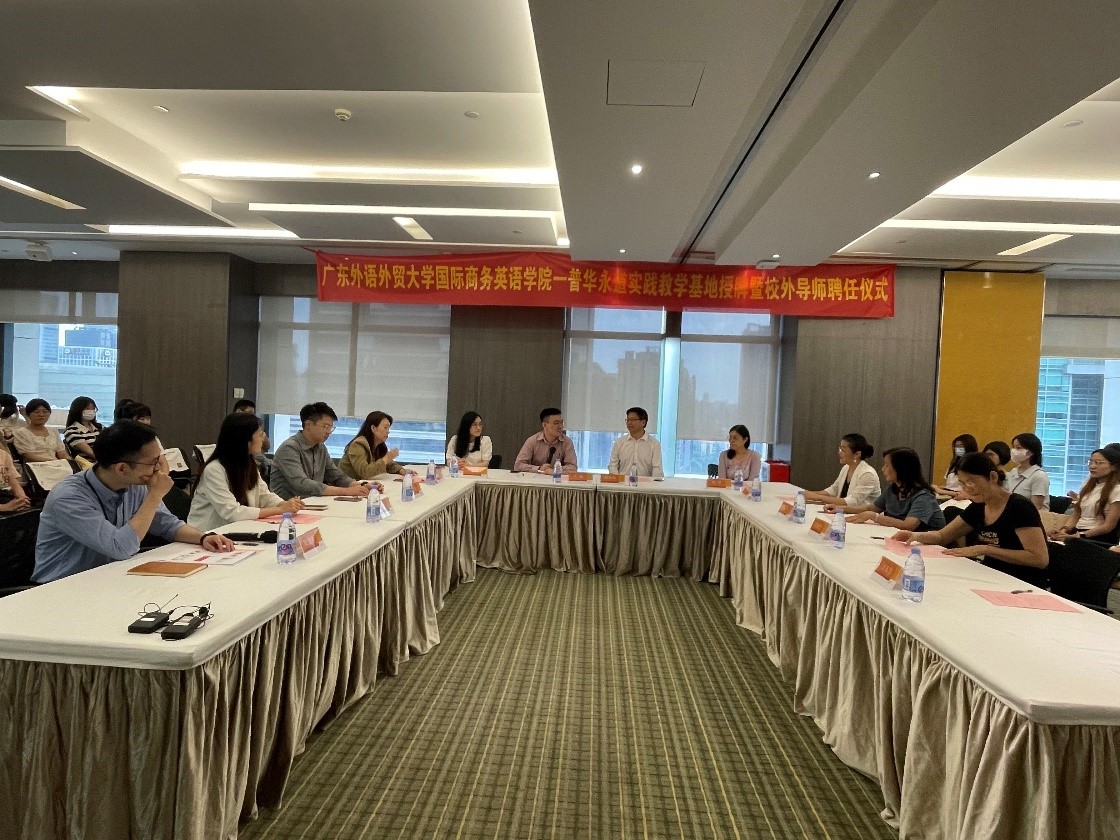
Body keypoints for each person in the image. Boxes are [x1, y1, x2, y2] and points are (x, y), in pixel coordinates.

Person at [32, 420, 235, 583]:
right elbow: (119, 547)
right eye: (153, 463)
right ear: (122, 468)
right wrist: (154, 496)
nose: (159, 469)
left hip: (109, 578)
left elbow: (167, 524)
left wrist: (203, 537)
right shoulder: (69, 497)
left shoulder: (134, 483)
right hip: (62, 589)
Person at [891, 452, 1049, 587]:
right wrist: (915, 536)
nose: (967, 488)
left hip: (1022, 583)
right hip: (989, 576)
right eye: (962, 483)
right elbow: (942, 536)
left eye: (971, 482)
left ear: (992, 477)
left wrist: (985, 549)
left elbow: (1039, 558)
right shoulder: (979, 505)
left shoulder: (1019, 507)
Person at [188, 413, 304, 531]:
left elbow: (264, 495)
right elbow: (232, 512)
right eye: (260, 434)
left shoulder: (248, 463)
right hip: (209, 533)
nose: (263, 439)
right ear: (245, 440)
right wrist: (279, 510)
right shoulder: (214, 470)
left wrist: (284, 504)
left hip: (239, 529)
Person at [829, 447, 945, 531]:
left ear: (901, 468)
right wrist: (840, 509)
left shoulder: (924, 495)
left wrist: (875, 517)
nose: (883, 469)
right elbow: (871, 508)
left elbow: (908, 525)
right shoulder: (893, 488)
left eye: (887, 465)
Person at [271, 402, 369, 499]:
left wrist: (360, 486)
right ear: (308, 424)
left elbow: (336, 476)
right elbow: (301, 484)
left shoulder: (320, 447)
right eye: (325, 427)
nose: (328, 432)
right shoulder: (289, 448)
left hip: (312, 502)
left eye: (330, 428)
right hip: (287, 505)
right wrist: (346, 491)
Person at [1048, 448, 1120, 544]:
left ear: (1114, 467)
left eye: (1098, 463)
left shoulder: (1117, 490)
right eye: (1090, 462)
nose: (1092, 466)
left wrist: (1079, 536)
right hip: (1079, 533)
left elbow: (1108, 526)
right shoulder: (1088, 487)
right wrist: (1063, 531)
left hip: (1099, 538)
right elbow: (1075, 516)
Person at [803, 433, 881, 506]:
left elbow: (853, 501)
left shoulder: (867, 474)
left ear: (857, 454)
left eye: (843, 450)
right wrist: (810, 494)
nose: (839, 453)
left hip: (860, 514)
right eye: (840, 449)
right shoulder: (846, 467)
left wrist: (817, 497)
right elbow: (834, 490)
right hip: (843, 511)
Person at [340, 410, 406, 479]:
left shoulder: (379, 445)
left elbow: (388, 464)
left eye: (388, 428)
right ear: (373, 428)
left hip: (364, 483)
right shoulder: (358, 445)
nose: (388, 431)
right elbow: (364, 472)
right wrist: (386, 458)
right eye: (385, 428)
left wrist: (401, 471)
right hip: (346, 484)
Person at [513, 407, 577, 473]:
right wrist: (539, 468)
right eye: (556, 423)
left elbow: (573, 468)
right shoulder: (532, 441)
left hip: (556, 478)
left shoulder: (567, 442)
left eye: (561, 423)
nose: (560, 426)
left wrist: (554, 469)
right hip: (534, 478)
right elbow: (518, 465)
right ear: (544, 425)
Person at [607, 407, 664, 479]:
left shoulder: (654, 444)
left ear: (643, 422)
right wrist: (617, 481)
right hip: (623, 484)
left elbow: (657, 469)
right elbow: (613, 466)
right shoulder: (619, 442)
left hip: (646, 484)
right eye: (627, 420)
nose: (629, 423)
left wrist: (654, 484)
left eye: (633, 420)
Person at [1005, 432, 1049, 510]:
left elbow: (1036, 507)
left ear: (1030, 452)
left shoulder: (1039, 476)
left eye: (1018, 448)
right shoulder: (1013, 472)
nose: (1014, 451)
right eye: (1013, 447)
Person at [63, 396, 102, 462]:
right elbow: (90, 453)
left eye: (93, 408)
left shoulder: (99, 427)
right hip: (89, 464)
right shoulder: (72, 431)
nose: (91, 411)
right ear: (78, 410)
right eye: (87, 408)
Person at [0, 445, 31, 513]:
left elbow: (14, 482)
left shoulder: (3, 455)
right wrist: (5, 507)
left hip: (5, 494)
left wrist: (22, 499)